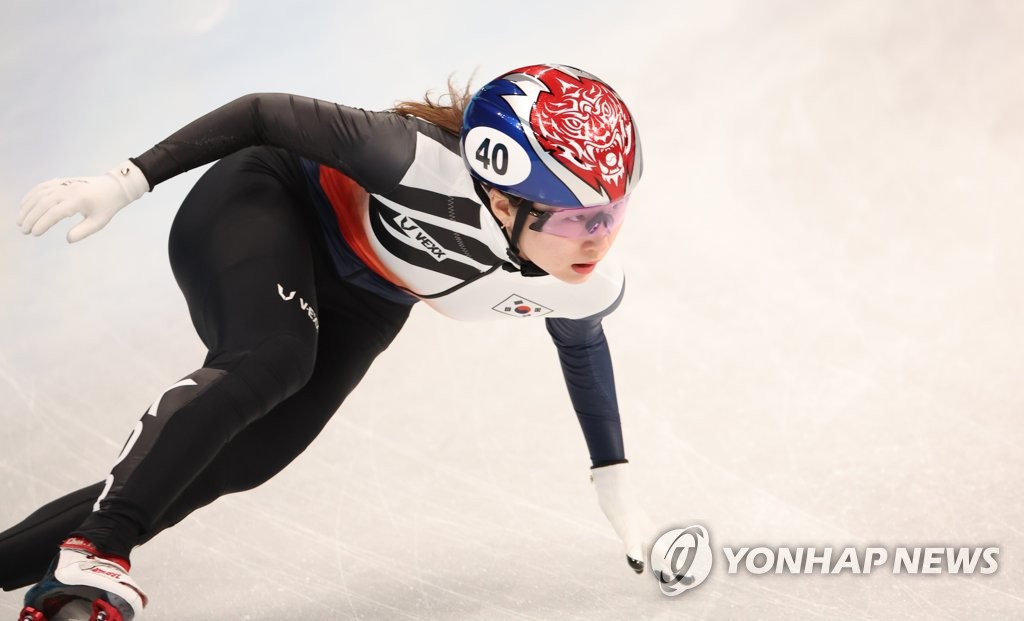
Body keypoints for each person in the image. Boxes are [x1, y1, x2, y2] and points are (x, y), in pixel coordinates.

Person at [4, 63, 675, 621]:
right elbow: (261, 112)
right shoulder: (409, 157)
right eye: (577, 217)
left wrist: (612, 480)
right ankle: (94, 550)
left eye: (611, 213)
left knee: (250, 455)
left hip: (371, 295)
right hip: (269, 201)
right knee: (275, 356)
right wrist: (125, 182)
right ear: (503, 201)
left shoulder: (582, 281)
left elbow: (583, 351)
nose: (598, 238)